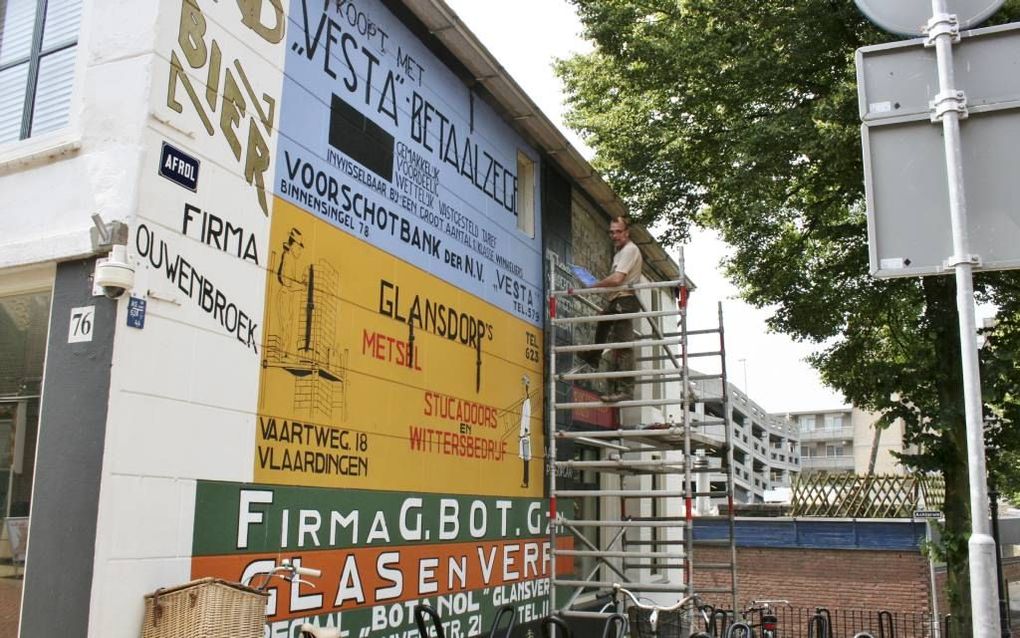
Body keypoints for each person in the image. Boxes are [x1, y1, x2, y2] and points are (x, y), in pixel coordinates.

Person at [579, 216, 643, 402]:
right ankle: (594, 356)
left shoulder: (630, 250)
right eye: (611, 232)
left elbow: (617, 280)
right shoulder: (619, 253)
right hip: (618, 299)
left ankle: (625, 389)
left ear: (626, 233)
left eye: (618, 231)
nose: (614, 235)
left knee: (623, 344)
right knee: (603, 323)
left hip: (626, 299)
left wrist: (594, 285)